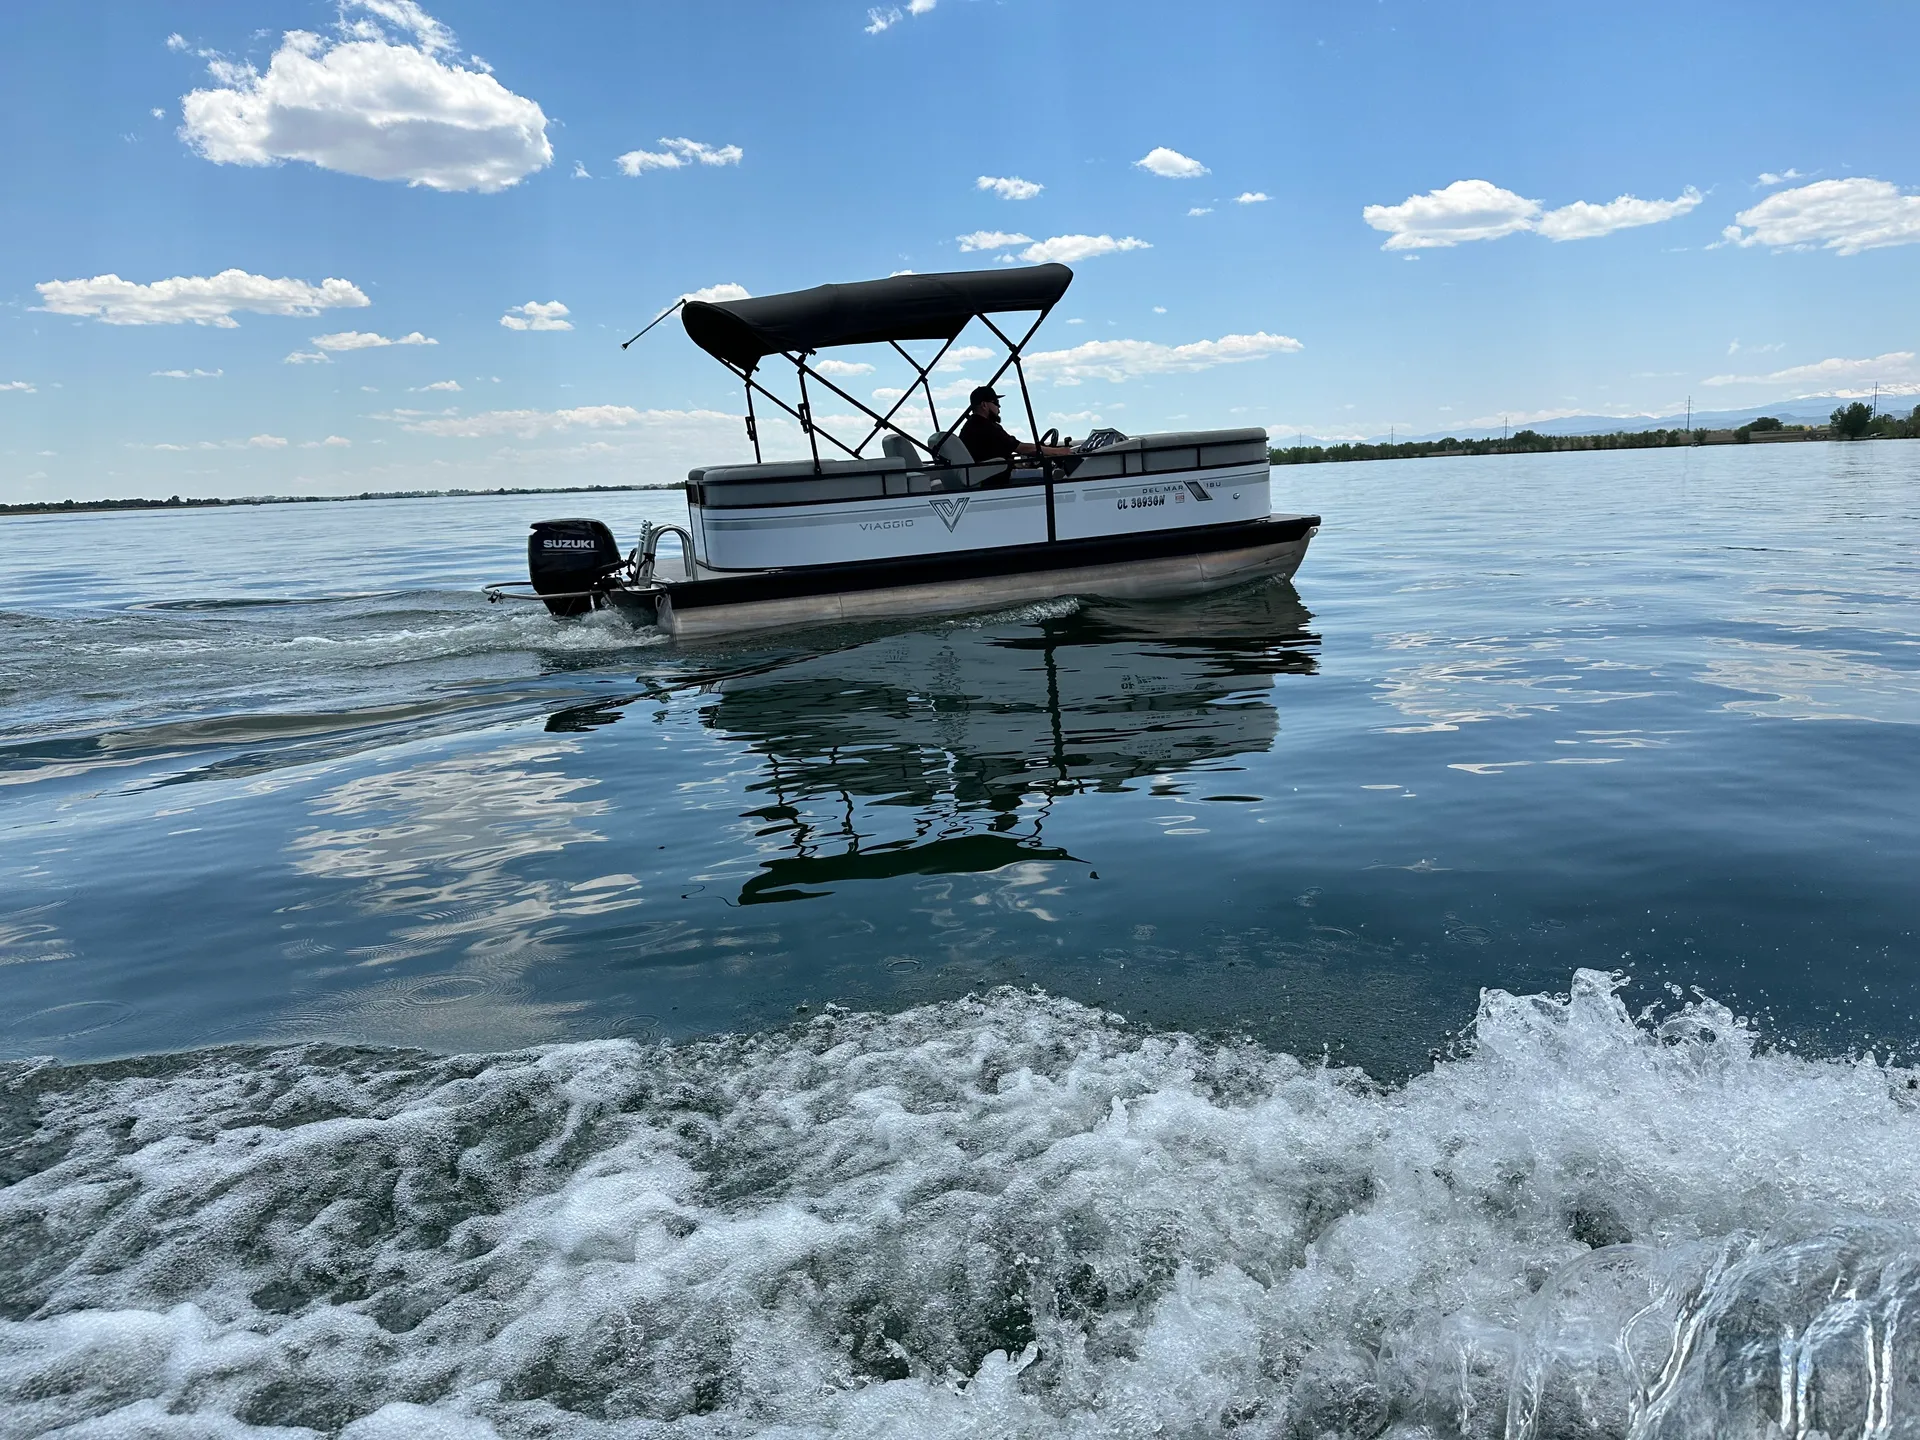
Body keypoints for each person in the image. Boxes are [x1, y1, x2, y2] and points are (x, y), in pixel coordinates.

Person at [958, 386, 1074, 466]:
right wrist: (1060, 451)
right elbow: (1020, 448)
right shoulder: (986, 427)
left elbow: (997, 453)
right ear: (984, 405)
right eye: (996, 403)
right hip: (996, 480)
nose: (999, 407)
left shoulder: (971, 426)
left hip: (990, 476)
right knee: (1046, 476)